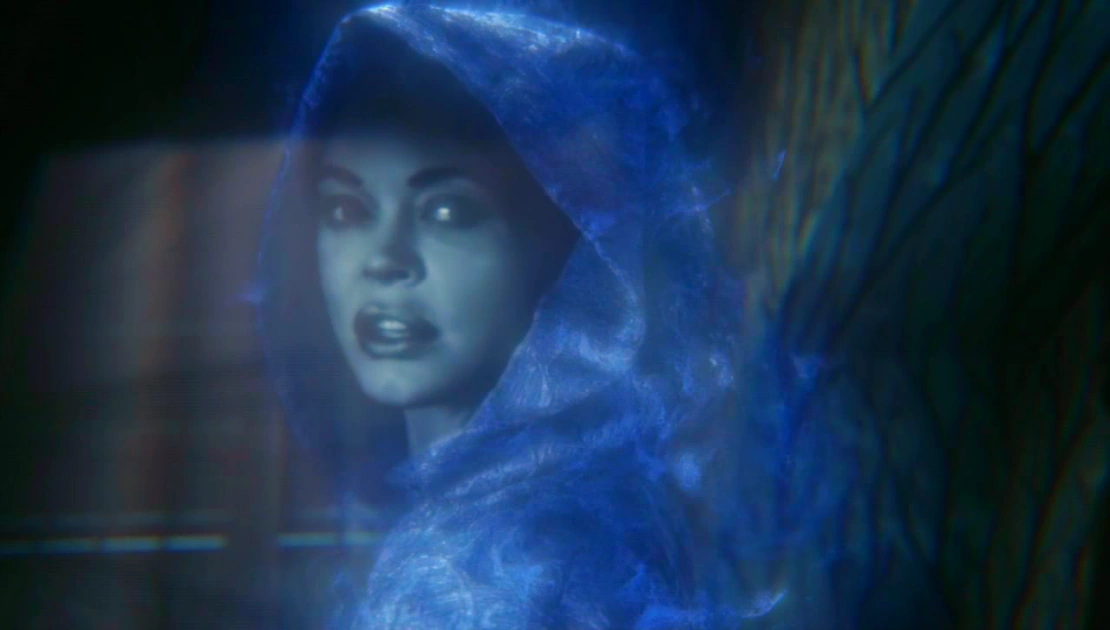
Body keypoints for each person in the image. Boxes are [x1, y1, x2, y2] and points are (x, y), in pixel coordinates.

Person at [252, 3, 761, 628]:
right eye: (346, 210)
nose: (384, 261)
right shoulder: (477, 514)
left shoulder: (528, 562)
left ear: (571, 250)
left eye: (447, 212)